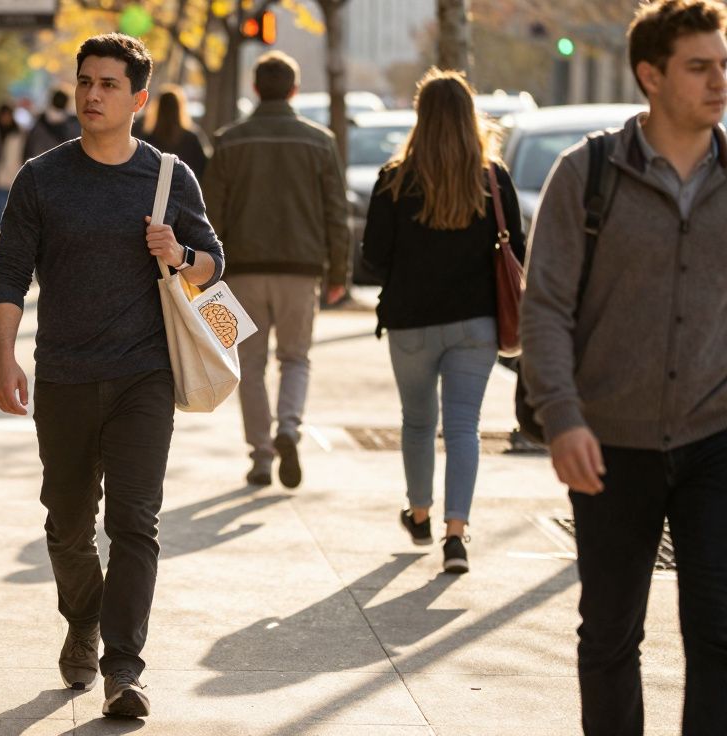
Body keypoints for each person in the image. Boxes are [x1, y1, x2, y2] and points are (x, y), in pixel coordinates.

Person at [0, 33, 224, 718]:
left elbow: (213, 262)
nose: (92, 94)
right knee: (66, 524)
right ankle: (83, 618)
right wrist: (4, 358)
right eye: (85, 81)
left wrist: (179, 254)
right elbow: (8, 273)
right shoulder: (41, 178)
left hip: (143, 376)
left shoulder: (168, 177)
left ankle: (123, 667)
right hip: (63, 374)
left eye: (109, 84)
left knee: (134, 522)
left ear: (138, 98)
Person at [521, 0, 727, 732]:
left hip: (715, 440)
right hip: (607, 444)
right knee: (610, 635)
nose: (718, 81)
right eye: (698, 67)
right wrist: (562, 418)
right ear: (651, 75)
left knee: (719, 633)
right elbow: (545, 307)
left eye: (723, 64)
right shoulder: (588, 174)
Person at [362, 69, 525, 574]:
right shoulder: (493, 179)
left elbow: (373, 258)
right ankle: (456, 535)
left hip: (411, 321)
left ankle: (420, 514)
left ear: (421, 116)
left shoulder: (395, 179)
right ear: (470, 117)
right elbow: (516, 250)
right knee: (463, 426)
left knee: (417, 421)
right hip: (476, 323)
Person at [201, 51, 350, 489]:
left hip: (241, 271)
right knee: (295, 358)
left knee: (249, 365)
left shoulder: (229, 141)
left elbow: (209, 214)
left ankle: (261, 455)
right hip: (301, 269)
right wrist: (338, 273)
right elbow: (336, 213)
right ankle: (288, 426)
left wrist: (206, 276)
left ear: (255, 89)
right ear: (294, 90)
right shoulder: (320, 142)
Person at [140, 84, 210, 178]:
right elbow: (204, 168)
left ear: (158, 109)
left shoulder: (147, 141)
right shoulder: (192, 139)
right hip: (185, 186)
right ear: (180, 109)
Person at [23, 85, 80, 160]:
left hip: (39, 162)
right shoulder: (73, 124)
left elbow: (30, 145)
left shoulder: (39, 121)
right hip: (61, 163)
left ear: (52, 100)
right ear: (66, 103)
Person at [0, 102, 25, 229]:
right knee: (0, 214)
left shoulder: (19, 133)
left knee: (12, 214)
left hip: (15, 177)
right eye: (3, 115)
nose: (5, 118)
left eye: (8, 115)